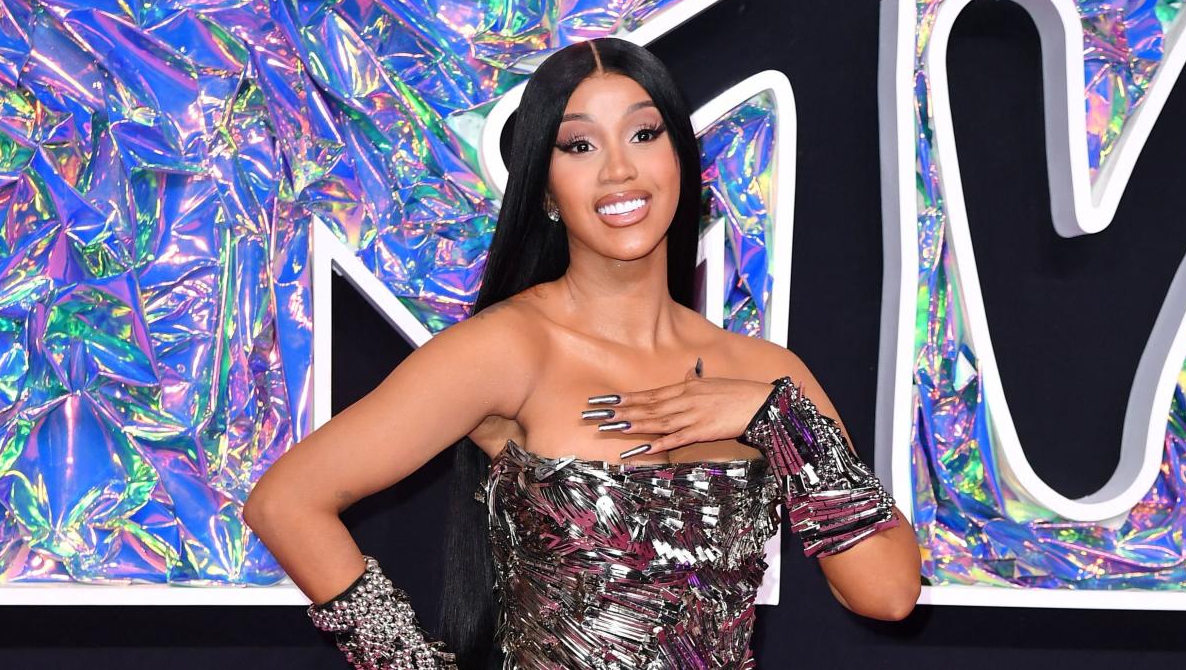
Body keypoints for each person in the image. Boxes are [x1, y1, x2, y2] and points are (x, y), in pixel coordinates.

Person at [243, 36, 922, 670]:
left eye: (644, 133)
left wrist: (779, 421)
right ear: (543, 187)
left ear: (680, 158)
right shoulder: (512, 347)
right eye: (579, 146)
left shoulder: (767, 375)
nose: (619, 169)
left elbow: (887, 593)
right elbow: (287, 502)